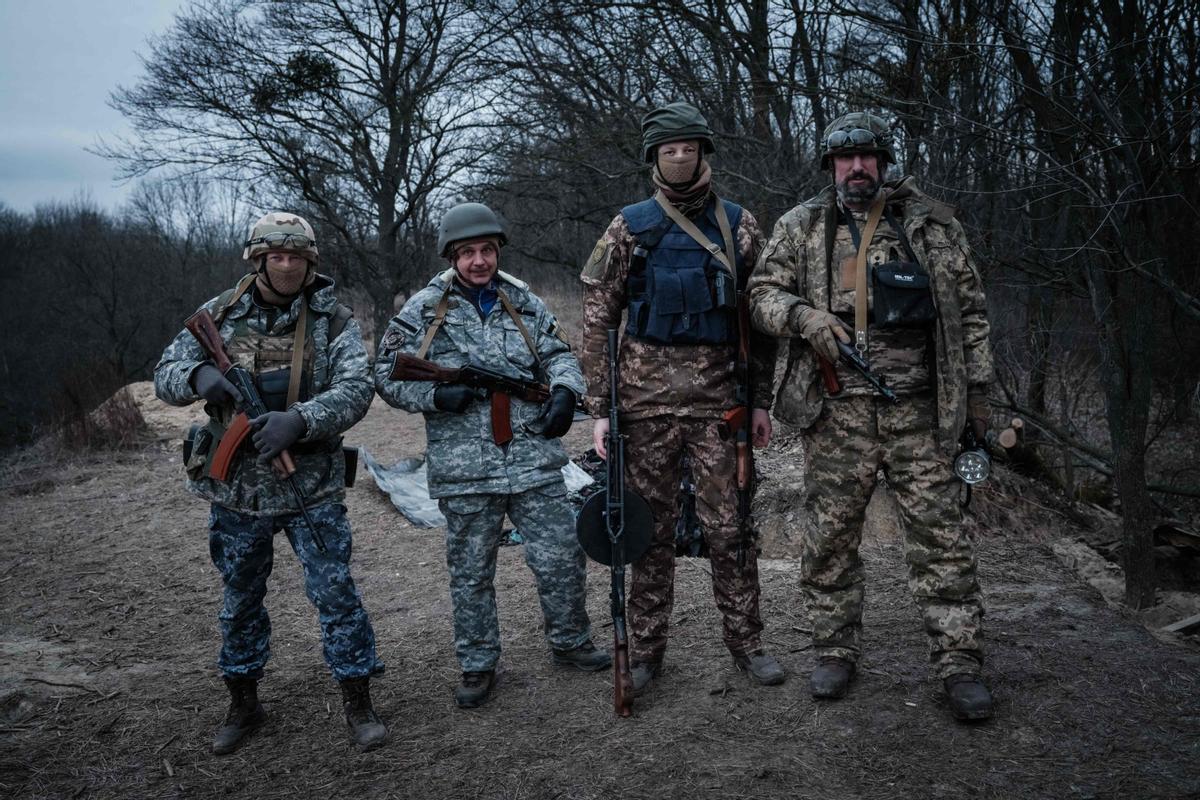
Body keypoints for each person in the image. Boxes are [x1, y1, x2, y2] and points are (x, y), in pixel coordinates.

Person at [747, 111, 996, 721]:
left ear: (883, 161)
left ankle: (959, 663)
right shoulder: (802, 225)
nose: (856, 168)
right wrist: (804, 318)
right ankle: (834, 650)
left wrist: (980, 398)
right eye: (844, 158)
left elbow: (971, 313)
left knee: (941, 541)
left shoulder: (932, 225)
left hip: (921, 414)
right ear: (830, 164)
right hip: (835, 416)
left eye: (866, 157)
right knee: (829, 539)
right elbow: (759, 294)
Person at [154, 212, 388, 753]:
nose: (286, 266)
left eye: (297, 258)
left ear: (310, 262)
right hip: (238, 490)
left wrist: (300, 421)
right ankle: (243, 700)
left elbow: (357, 388)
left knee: (336, 594)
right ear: (258, 260)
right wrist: (196, 376)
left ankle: (358, 700)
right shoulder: (219, 314)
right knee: (239, 597)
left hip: (311, 484)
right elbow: (166, 373)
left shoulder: (333, 320)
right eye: (276, 257)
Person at [578, 102, 784, 695]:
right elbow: (597, 319)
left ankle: (748, 644)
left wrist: (761, 401)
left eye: (689, 149)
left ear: (703, 154)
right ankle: (645, 653)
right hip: (642, 411)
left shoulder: (740, 226)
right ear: (654, 158)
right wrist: (600, 409)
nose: (680, 158)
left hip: (720, 409)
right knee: (650, 533)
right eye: (669, 150)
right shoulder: (629, 227)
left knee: (732, 528)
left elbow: (762, 320)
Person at [374, 202, 609, 709]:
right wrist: (434, 396)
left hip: (532, 458)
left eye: (486, 251)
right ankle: (478, 663)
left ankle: (570, 642)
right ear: (452, 255)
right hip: (464, 469)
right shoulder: (423, 308)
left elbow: (560, 354)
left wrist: (567, 392)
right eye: (468, 253)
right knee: (471, 572)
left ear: (497, 251)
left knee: (560, 558)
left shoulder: (522, 299)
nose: (479, 261)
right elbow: (387, 373)